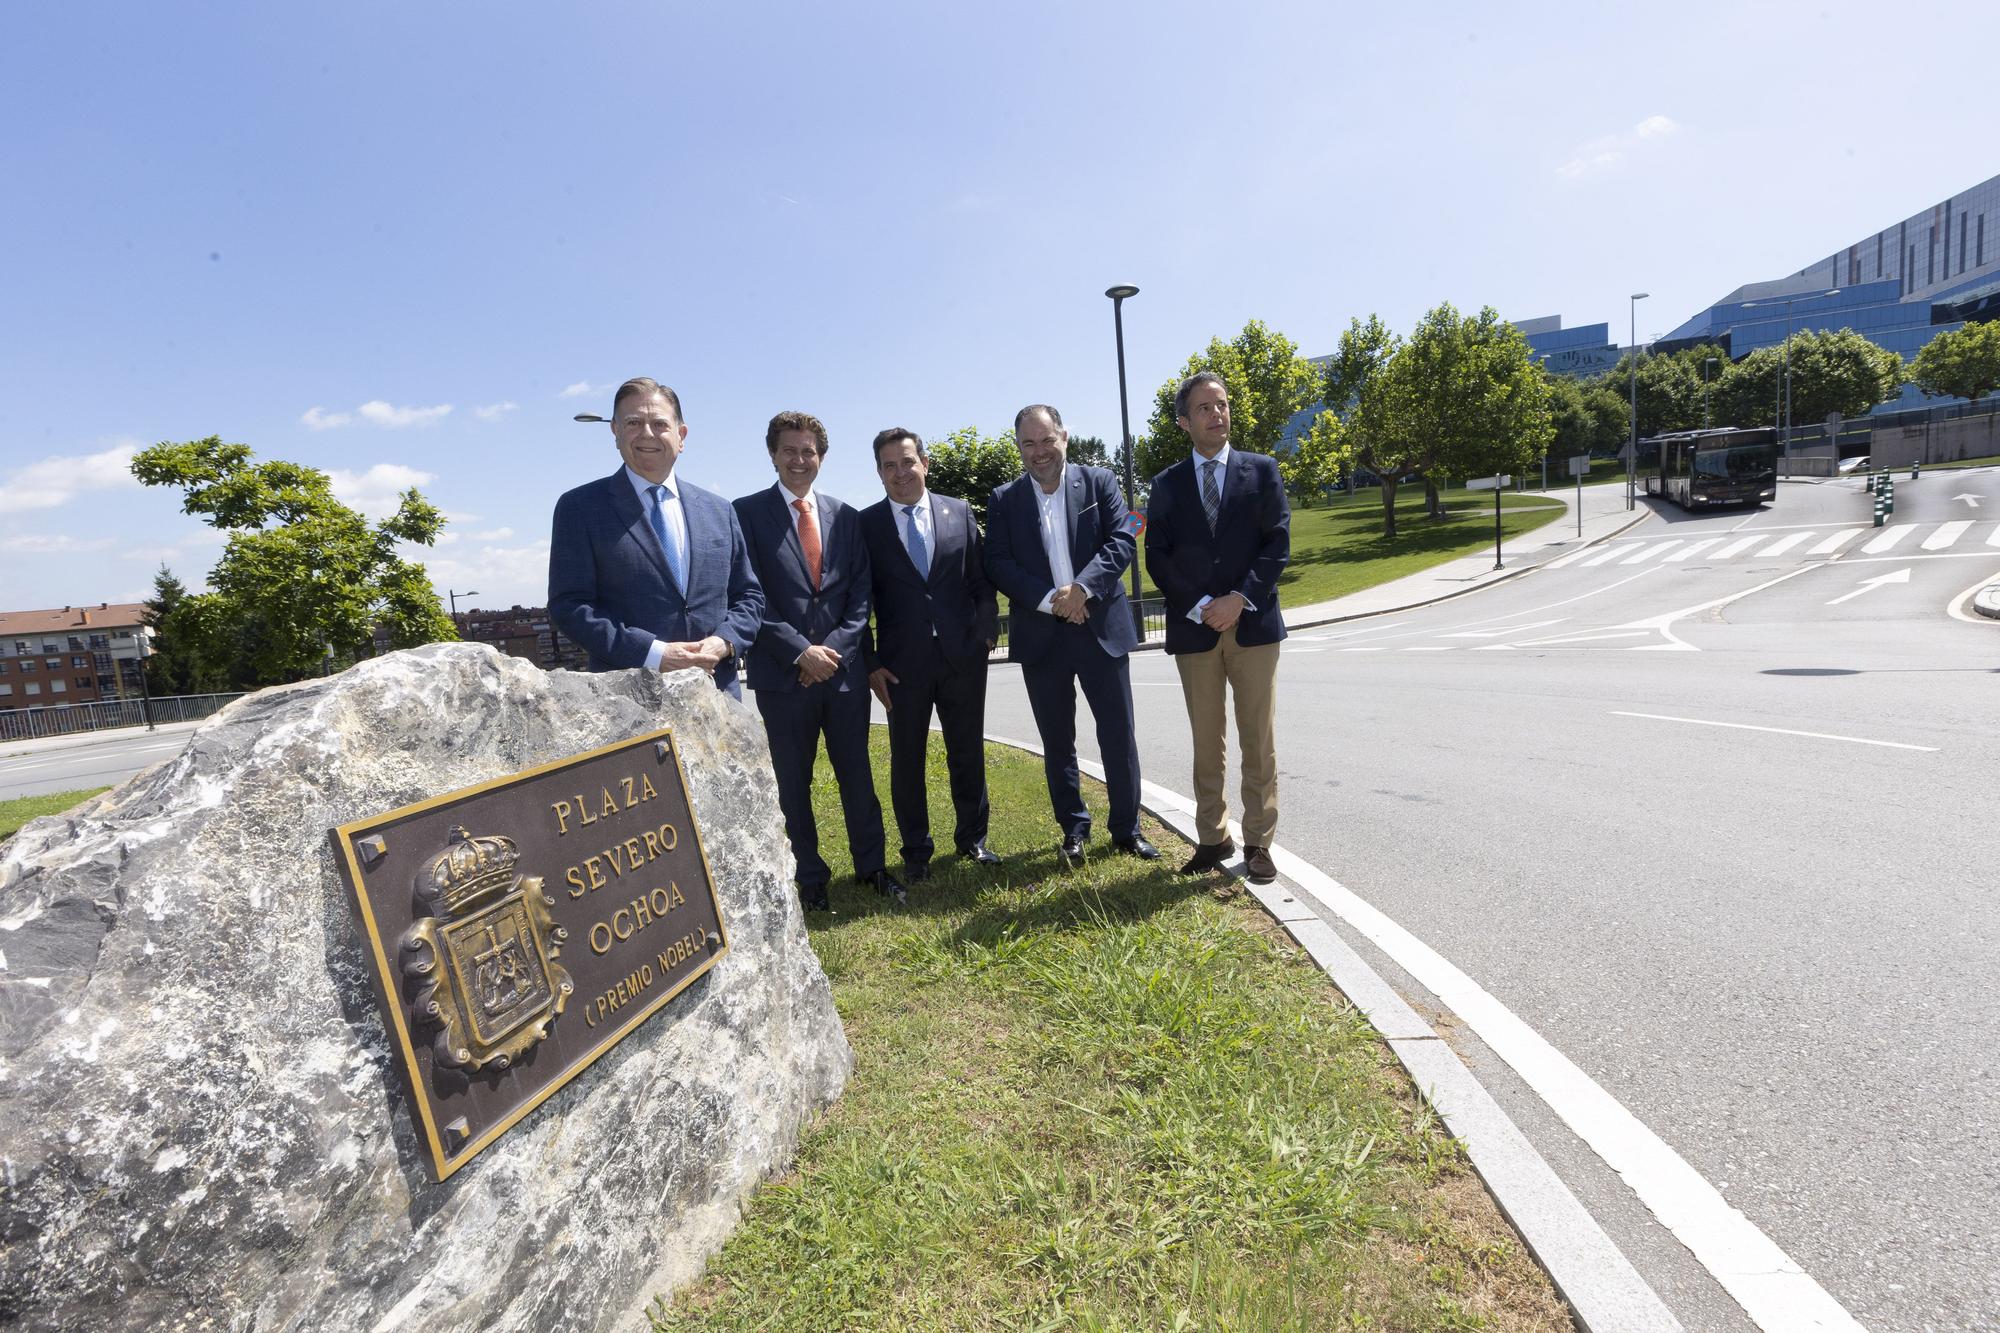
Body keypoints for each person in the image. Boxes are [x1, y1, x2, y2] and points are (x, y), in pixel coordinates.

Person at [733, 411, 902, 911]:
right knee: (792, 782)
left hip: (843, 675)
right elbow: (747, 595)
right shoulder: (744, 514)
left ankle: (872, 866)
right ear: (773, 454)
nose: (800, 460)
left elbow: (859, 595)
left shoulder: (845, 517)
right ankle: (808, 876)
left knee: (858, 776)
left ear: (821, 457)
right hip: (782, 679)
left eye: (809, 451)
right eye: (790, 450)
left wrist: (835, 651)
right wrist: (800, 652)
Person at [984, 404, 1156, 866]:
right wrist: (1053, 600)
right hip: (1043, 636)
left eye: (1047, 440)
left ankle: (1127, 829)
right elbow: (997, 562)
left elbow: (1123, 538)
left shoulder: (1099, 482)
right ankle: (1074, 830)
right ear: (1019, 446)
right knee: (1057, 741)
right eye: (1028, 443)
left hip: (1100, 627)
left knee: (1118, 735)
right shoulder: (1004, 498)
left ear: (1064, 437)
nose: (1039, 452)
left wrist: (1082, 590)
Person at [1143, 372, 1290, 885]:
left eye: (1223, 405)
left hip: (1253, 627)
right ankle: (1212, 838)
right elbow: (1156, 556)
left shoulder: (1263, 471)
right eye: (1205, 408)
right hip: (1195, 629)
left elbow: (1277, 543)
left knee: (1259, 741)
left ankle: (1258, 843)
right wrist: (1203, 603)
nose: (1217, 414)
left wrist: (1239, 598)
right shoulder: (1164, 485)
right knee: (1208, 742)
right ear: (1185, 421)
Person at [548, 377, 763, 698]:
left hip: (718, 695)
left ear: (682, 436)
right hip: (629, 700)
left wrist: (724, 641)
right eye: (633, 422)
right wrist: (655, 654)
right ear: (615, 432)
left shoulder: (720, 511)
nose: (647, 433)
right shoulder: (580, 507)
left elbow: (749, 597)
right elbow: (571, 606)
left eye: (659, 423)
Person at [859, 427, 1001, 881]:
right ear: (879, 472)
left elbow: (979, 581)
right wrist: (869, 661)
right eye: (889, 465)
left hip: (963, 658)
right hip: (901, 666)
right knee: (907, 760)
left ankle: (972, 840)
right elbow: (857, 601)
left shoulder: (958, 512)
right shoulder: (866, 525)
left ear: (925, 462)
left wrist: (984, 629)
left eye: (907, 461)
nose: (901, 472)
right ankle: (916, 852)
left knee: (967, 751)